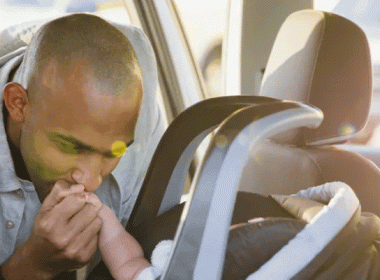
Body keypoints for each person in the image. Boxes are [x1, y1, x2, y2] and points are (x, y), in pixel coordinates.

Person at [0, 13, 165, 279]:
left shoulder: (136, 98)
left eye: (115, 152)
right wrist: (32, 265)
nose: (90, 182)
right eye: (71, 147)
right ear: (18, 104)